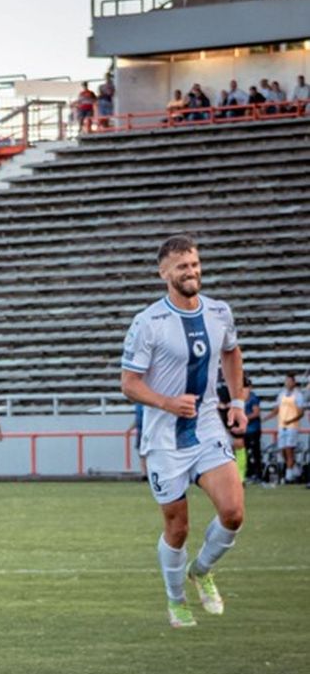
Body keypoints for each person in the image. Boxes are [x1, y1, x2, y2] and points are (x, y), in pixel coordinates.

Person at [120, 234, 246, 629]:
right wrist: (166, 402)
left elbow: (231, 350)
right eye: (181, 267)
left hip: (207, 428)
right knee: (178, 528)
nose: (191, 272)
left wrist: (237, 402)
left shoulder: (219, 312)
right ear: (164, 273)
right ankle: (176, 600)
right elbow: (129, 383)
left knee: (233, 512)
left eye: (194, 264)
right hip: (164, 440)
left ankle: (202, 569)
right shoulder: (148, 323)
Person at [264, 374, 304, 482]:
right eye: (287, 381)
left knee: (289, 450)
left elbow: (301, 412)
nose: (288, 383)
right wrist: (265, 418)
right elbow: (277, 409)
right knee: (282, 450)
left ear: (294, 382)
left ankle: (288, 475)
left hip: (292, 426)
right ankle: (294, 469)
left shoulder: (298, 395)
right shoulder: (281, 395)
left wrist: (291, 420)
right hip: (281, 426)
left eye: (290, 381)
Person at [242, 377, 263, 482]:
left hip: (253, 429)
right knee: (245, 453)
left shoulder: (253, 398)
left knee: (255, 453)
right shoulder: (241, 399)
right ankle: (249, 473)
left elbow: (256, 413)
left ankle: (258, 474)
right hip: (245, 430)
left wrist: (244, 417)